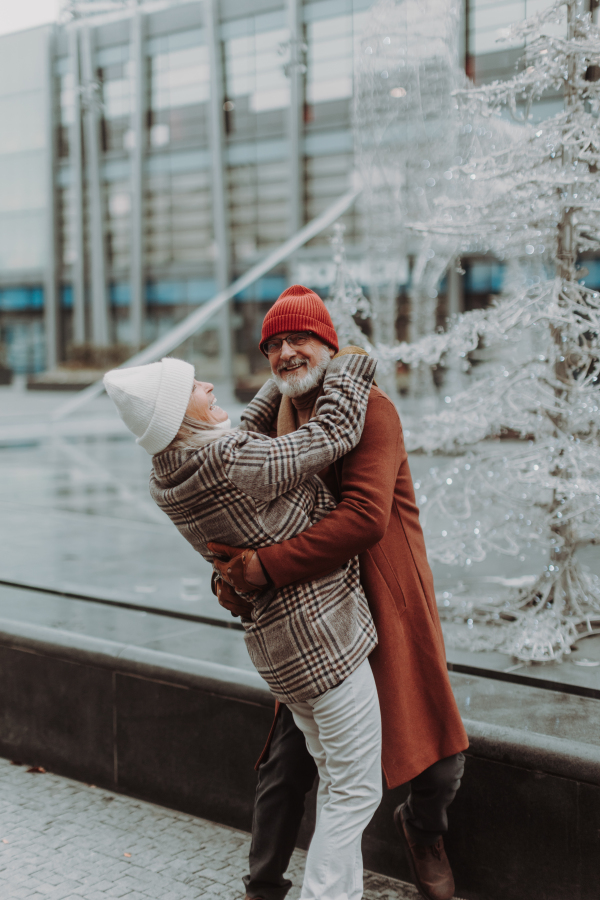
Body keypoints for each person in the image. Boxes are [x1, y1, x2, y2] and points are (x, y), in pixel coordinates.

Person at [211, 285, 469, 900]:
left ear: (328, 345)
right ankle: (263, 884)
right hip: (319, 607)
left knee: (439, 753)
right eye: (274, 344)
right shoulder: (273, 423)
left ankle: (424, 829)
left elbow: (363, 519)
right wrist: (230, 575)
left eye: (299, 339)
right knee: (287, 761)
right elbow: (246, 516)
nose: (286, 352)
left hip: (388, 593)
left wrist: (264, 570)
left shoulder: (372, 409)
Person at [103, 350, 383, 900]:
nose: (208, 384)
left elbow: (245, 430)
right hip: (324, 644)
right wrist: (349, 368)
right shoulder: (233, 462)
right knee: (355, 792)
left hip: (280, 656)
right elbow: (332, 433)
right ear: (179, 416)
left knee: (338, 783)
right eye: (194, 386)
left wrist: (281, 381)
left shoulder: (169, 474)